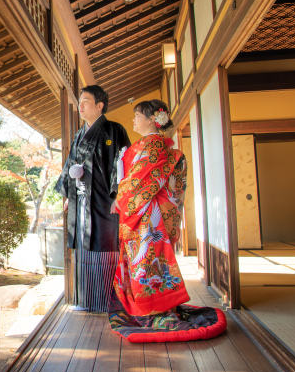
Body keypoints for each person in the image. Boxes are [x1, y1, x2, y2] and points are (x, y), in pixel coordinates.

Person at [108, 100, 226, 342]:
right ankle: (154, 307)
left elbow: (138, 182)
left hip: (146, 216)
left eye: (137, 115)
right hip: (151, 213)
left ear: (152, 119)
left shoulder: (154, 147)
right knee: (149, 263)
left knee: (148, 263)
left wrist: (120, 198)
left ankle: (154, 311)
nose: (134, 120)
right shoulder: (154, 146)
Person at [55, 85, 130, 312]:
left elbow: (124, 163)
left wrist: (119, 194)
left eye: (86, 101)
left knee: (104, 245)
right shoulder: (80, 133)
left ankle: (108, 301)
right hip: (81, 201)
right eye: (80, 101)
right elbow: (70, 164)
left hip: (104, 202)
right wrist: (68, 194)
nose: (81, 105)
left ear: (100, 105)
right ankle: (85, 300)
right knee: (82, 246)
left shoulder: (114, 130)